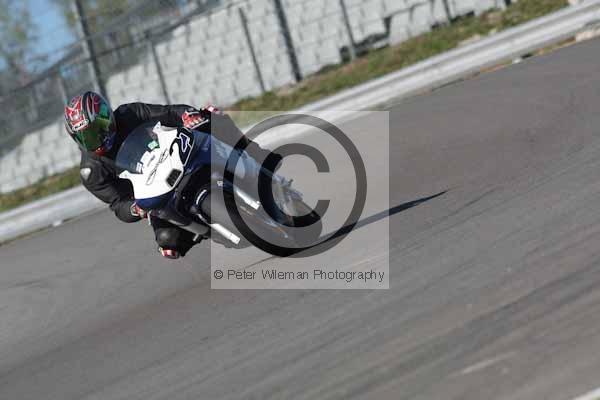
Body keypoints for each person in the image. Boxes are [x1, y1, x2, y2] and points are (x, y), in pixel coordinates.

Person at [64, 91, 279, 259]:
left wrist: (188, 115)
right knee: (169, 242)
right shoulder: (91, 172)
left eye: (97, 129)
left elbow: (169, 113)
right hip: (154, 194)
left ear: (106, 116)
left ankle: (256, 155)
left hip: (175, 155)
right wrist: (134, 208)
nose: (96, 138)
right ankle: (207, 230)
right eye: (86, 137)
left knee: (212, 116)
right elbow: (118, 204)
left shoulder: (129, 113)